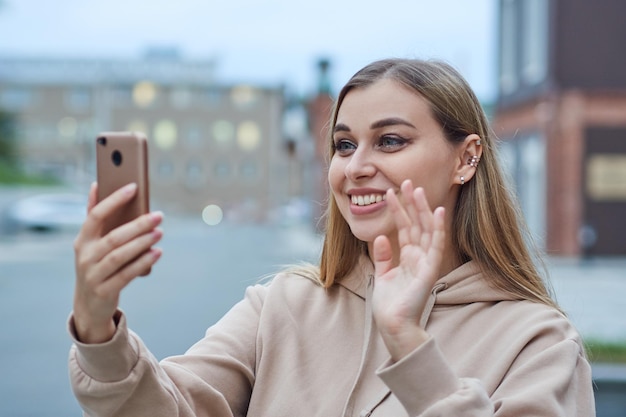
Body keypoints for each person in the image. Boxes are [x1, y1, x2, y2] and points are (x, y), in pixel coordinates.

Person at [68, 58, 595, 416]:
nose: (356, 167)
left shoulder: (539, 341)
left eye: (390, 141)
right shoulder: (283, 305)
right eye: (344, 145)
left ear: (467, 157)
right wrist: (96, 326)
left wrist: (410, 345)